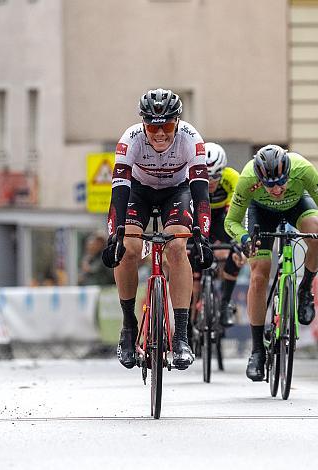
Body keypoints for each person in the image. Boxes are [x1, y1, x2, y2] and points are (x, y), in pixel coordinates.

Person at [102, 88, 212, 371]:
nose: (160, 133)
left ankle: (182, 338)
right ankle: (129, 327)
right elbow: (119, 194)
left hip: (176, 191)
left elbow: (201, 195)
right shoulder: (130, 140)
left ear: (177, 122)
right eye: (152, 126)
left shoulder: (191, 139)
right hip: (138, 191)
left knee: (177, 248)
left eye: (167, 126)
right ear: (143, 125)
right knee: (129, 248)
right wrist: (114, 233)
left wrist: (203, 235)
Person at [224, 145, 318, 381]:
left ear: (288, 172)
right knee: (258, 275)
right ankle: (257, 351)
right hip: (261, 213)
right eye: (269, 184)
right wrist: (245, 239)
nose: (276, 189)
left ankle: (305, 289)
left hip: (298, 205)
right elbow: (231, 222)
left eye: (281, 182)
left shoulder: (303, 168)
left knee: (316, 233)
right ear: (259, 178)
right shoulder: (247, 178)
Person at [201, 142, 245, 326]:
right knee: (188, 255)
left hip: (222, 217)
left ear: (224, 170)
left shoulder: (233, 178)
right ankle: (187, 316)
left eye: (216, 176)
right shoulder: (189, 178)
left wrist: (238, 242)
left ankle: (225, 303)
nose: (211, 181)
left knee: (235, 253)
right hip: (199, 215)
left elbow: (237, 213)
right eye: (206, 176)